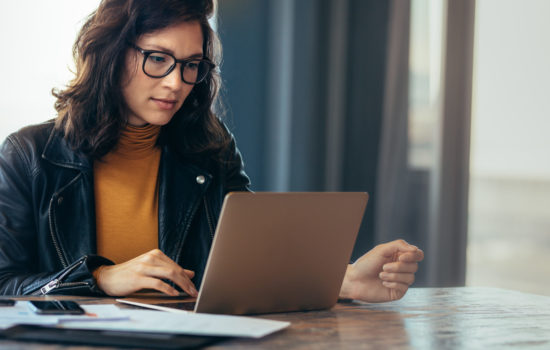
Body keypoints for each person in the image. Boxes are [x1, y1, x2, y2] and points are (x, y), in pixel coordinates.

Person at [0, 0, 423, 302]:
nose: (176, 82)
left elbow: (250, 263)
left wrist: (344, 280)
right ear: (111, 54)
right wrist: (100, 277)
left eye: (191, 64)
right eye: (158, 58)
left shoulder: (209, 149)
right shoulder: (29, 156)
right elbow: (4, 284)